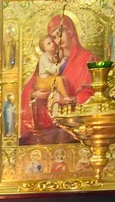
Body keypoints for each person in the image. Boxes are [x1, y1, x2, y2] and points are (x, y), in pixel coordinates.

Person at [20, 15, 97, 145]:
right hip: (47, 127)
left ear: (70, 31)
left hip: (73, 127)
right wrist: (35, 94)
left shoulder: (87, 58)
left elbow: (90, 94)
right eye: (54, 37)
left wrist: (68, 100)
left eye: (61, 32)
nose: (58, 39)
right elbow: (30, 87)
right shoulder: (51, 59)